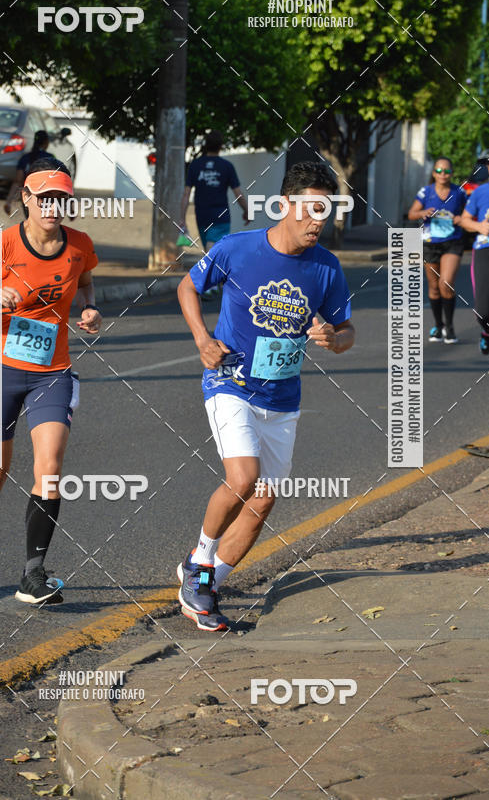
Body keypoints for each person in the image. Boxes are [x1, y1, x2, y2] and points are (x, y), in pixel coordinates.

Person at [176, 161, 355, 630]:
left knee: (262, 502)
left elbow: (347, 330)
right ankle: (197, 565)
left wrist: (334, 338)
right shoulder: (237, 248)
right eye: (312, 209)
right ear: (284, 205)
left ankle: (209, 582)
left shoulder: (326, 267)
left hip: (282, 398)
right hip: (229, 381)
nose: (320, 219)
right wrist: (202, 339)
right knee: (243, 477)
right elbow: (187, 287)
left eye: (327, 209)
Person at [0, 159, 101, 604]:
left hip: (51, 372)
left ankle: (33, 575)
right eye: (44, 198)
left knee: (50, 469)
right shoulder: (2, 246)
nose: (53, 207)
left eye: (61, 199)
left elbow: (86, 281)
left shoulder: (79, 245)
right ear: (27, 200)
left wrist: (89, 310)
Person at [408, 157, 467, 344]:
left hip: (453, 242)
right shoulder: (426, 192)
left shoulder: (459, 192)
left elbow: (469, 214)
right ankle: (438, 325)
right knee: (434, 288)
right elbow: (411, 214)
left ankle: (449, 326)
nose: (443, 175)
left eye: (447, 171)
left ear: (451, 173)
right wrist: (422, 213)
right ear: (434, 173)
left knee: (446, 283)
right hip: (430, 242)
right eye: (439, 171)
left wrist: (460, 219)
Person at [179, 130, 249, 251]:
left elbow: (186, 194)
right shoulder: (227, 166)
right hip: (221, 216)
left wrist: (182, 218)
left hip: (201, 215)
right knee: (213, 248)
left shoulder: (195, 165)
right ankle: (212, 268)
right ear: (221, 146)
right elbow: (238, 194)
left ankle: (211, 268)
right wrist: (247, 211)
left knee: (210, 248)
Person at [461, 151, 489, 363]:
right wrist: (478, 226)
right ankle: (486, 331)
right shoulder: (480, 193)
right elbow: (465, 220)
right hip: (484, 250)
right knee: (482, 310)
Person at [4, 130, 57, 216]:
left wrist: (9, 201)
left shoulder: (25, 158)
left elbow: (18, 180)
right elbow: (56, 180)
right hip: (46, 195)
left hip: (28, 196)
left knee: (31, 220)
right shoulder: (50, 158)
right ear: (46, 142)